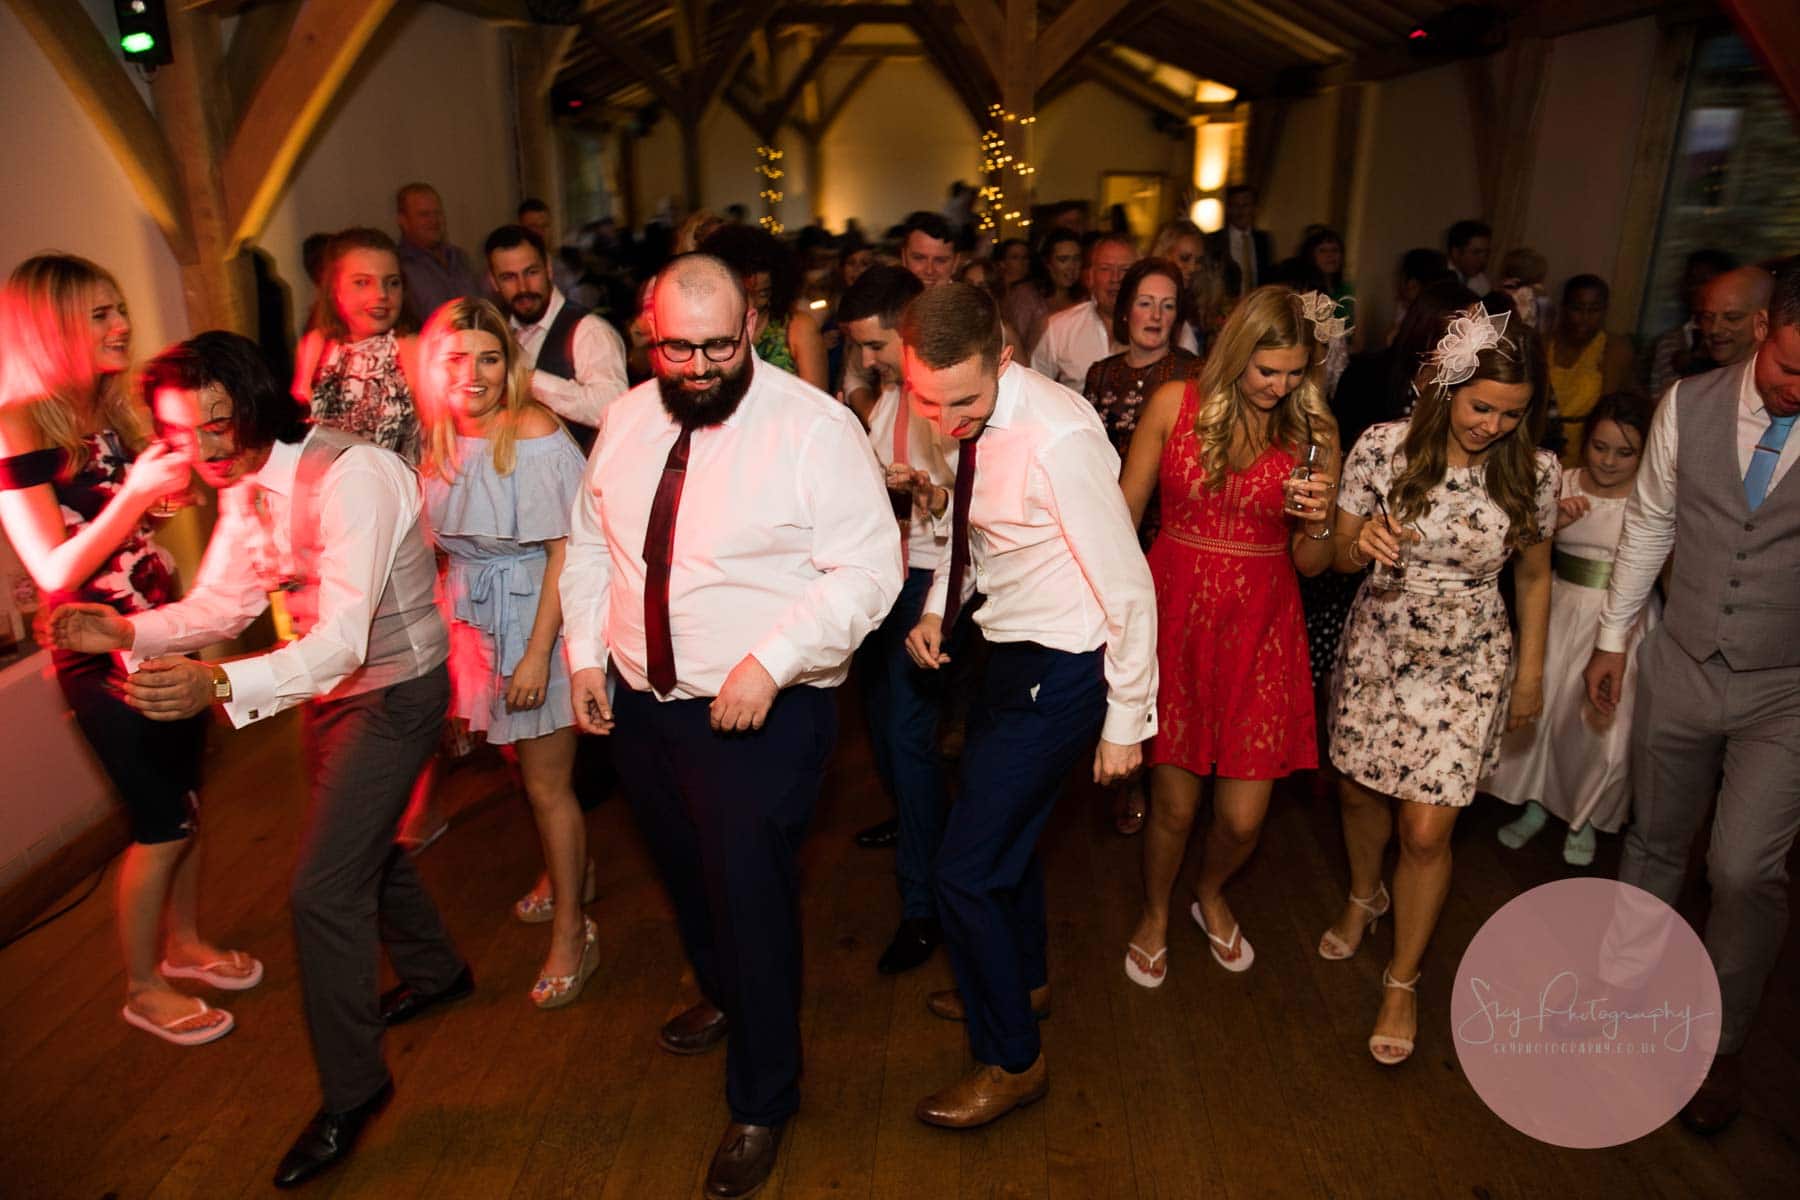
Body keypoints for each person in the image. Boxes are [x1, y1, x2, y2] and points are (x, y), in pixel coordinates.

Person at [50, 332, 469, 1188]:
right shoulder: (245, 487)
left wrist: (216, 683)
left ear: (253, 405)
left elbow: (345, 640)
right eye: (180, 432)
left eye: (216, 423)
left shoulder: (352, 475)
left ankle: (356, 1092)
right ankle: (438, 972)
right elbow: (223, 603)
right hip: (328, 695)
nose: (202, 448)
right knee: (360, 848)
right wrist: (125, 628)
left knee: (321, 893)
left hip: (397, 692)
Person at [559, 253, 900, 1197]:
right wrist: (585, 655)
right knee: (687, 877)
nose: (702, 367)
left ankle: (763, 1096)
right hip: (642, 705)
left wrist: (770, 662)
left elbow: (869, 570)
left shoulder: (814, 430)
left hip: (763, 713)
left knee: (750, 899)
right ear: (649, 334)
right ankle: (726, 995)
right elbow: (591, 546)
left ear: (752, 327)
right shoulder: (626, 420)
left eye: (719, 346)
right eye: (680, 349)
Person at [901, 283, 1156, 1130]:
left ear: (1004, 359)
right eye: (926, 401)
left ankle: (1012, 1060)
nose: (945, 422)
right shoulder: (961, 415)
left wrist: (1125, 723)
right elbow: (976, 533)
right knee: (1001, 845)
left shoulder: (1059, 439)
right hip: (1006, 653)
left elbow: (1129, 586)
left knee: (963, 871)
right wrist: (937, 608)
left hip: (1069, 666)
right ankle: (1024, 983)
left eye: (962, 402)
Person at [0, 254, 256, 1047]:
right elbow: (53, 569)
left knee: (188, 803)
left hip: (158, 630)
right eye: (101, 314)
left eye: (120, 309)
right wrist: (138, 496)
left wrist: (159, 499)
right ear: (54, 329)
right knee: (160, 822)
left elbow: (121, 523)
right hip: (98, 655)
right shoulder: (18, 424)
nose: (123, 325)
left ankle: (184, 945)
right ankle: (143, 989)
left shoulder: (106, 411)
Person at [1583, 259, 1800, 1135]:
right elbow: (1650, 523)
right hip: (1680, 659)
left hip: (1786, 688)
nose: (1799, 387)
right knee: (1655, 841)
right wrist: (1613, 638)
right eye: (1791, 366)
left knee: (1743, 870)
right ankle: (1619, 991)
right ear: (1762, 331)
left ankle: (1721, 1042)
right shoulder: (1687, 404)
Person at [1321, 308, 1556, 1066]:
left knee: (1426, 832)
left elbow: (1535, 576)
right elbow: (1332, 554)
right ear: (1448, 387)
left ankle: (1402, 980)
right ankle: (1364, 894)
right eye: (1481, 406)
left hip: (1470, 657)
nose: (1493, 425)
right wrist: (1360, 542)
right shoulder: (1382, 448)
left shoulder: (1534, 472)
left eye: (1512, 414)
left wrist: (1530, 675)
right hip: (1380, 644)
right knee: (1359, 794)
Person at [1116, 286, 1339, 986]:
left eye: (1295, 372)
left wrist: (1319, 519)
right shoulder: (1173, 404)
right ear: (1237, 353)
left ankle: (1208, 891)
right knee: (1175, 806)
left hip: (1263, 629)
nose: (1281, 386)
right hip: (1176, 617)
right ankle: (1155, 911)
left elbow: (1312, 563)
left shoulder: (1315, 432)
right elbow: (1124, 516)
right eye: (1268, 370)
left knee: (1242, 820)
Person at [414, 299, 594, 1007]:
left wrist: (537, 655)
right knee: (523, 768)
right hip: (475, 620)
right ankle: (570, 872)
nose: (474, 373)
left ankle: (575, 931)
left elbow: (567, 552)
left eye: (489, 357)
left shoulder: (535, 433)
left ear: (509, 365)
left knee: (548, 785)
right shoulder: (436, 439)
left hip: (535, 617)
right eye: (457, 358)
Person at [836, 265, 961, 974]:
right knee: (884, 722)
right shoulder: (891, 398)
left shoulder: (942, 399)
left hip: (928, 582)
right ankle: (912, 820)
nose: (865, 358)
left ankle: (924, 905)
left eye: (875, 344)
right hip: (887, 576)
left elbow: (965, 504)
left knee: (911, 738)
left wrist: (929, 495)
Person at [1488, 392, 1654, 866]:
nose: (1609, 461)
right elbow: (1513, 548)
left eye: (1625, 453)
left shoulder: (1651, 498)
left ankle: (1586, 816)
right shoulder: (1561, 481)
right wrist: (1552, 522)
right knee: (1546, 714)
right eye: (1600, 447)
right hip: (1560, 607)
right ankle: (1537, 800)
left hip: (1619, 620)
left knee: (1601, 728)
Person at [484, 224, 629, 445]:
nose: (523, 287)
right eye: (508, 277)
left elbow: (614, 408)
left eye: (531, 272)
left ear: (549, 269)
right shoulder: (497, 336)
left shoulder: (589, 330)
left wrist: (532, 382)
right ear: (494, 282)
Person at [293, 228, 424, 464]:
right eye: (363, 282)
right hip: (328, 483)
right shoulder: (316, 345)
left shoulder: (414, 349)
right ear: (335, 289)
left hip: (396, 483)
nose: (382, 294)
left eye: (392, 283)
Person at [701, 223, 829, 391]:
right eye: (746, 293)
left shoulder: (797, 328)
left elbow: (817, 400)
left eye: (763, 294)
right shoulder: (708, 330)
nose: (752, 303)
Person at [1030, 235, 1139, 388]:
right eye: (1105, 269)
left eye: (1125, 269)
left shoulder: (1154, 329)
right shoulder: (1059, 329)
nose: (1115, 278)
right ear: (1091, 277)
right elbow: (1035, 388)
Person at [1548, 275, 1635, 465]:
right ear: (1564, 308)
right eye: (1577, 308)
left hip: (1591, 451)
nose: (1585, 317)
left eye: (1594, 310)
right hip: (1541, 446)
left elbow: (1618, 405)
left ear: (1605, 311)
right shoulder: (1543, 344)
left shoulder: (1615, 349)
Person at [1643, 248, 1736, 398]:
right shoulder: (1668, 342)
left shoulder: (1734, 342)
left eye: (1705, 282)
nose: (1696, 289)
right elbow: (1656, 395)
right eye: (1692, 281)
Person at [394, 182, 484, 329]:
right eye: (424, 215)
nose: (434, 221)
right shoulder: (398, 267)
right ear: (403, 221)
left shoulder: (460, 258)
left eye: (438, 213)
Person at [1002, 228, 1084, 359]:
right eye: (1063, 259)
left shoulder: (1084, 298)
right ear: (1048, 263)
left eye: (1076, 259)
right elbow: (1015, 345)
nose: (1071, 267)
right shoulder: (1026, 296)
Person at [1692, 265, 1773, 381]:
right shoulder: (1694, 386)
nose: (1715, 329)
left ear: (1763, 322)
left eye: (1732, 318)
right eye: (1708, 317)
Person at [1204, 185, 1274, 291]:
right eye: (1235, 205)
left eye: (1245, 205)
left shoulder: (1263, 240)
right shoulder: (1213, 240)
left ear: (1254, 208)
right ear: (1228, 208)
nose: (1240, 211)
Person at [901, 211, 960, 288]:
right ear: (904, 258)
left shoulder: (969, 296)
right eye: (919, 258)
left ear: (955, 263)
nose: (929, 271)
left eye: (940, 260)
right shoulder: (888, 294)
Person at [1446, 219, 1493, 296]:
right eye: (1476, 252)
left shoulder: (1482, 283)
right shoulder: (1437, 276)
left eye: (1486, 254)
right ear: (1456, 253)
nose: (1483, 260)